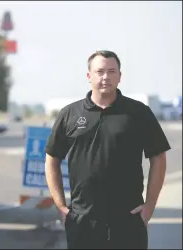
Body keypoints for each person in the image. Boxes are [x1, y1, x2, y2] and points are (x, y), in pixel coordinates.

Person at [44, 50, 171, 249]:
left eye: (112, 72)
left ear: (120, 76)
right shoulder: (70, 114)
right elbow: (52, 159)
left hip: (128, 221)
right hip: (82, 222)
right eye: (99, 71)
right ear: (89, 76)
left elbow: (158, 157)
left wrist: (149, 207)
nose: (105, 77)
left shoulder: (138, 113)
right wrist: (61, 207)